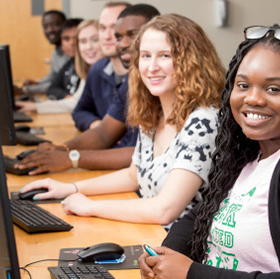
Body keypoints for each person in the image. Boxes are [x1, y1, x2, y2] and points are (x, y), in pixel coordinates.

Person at [138, 24, 280, 279]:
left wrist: (191, 273)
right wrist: (164, 256)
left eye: (273, 89)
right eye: (243, 85)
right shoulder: (249, 150)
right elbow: (200, 215)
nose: (253, 99)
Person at [19, 14, 225, 229]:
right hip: (149, 233)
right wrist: (70, 188)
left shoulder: (203, 121)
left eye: (165, 55)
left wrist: (90, 207)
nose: (152, 67)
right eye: (145, 56)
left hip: (179, 248)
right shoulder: (153, 113)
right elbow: (133, 175)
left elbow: (164, 210)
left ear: (190, 61)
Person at [15, 3, 160, 174]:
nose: (121, 44)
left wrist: (72, 159)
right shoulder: (132, 80)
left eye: (133, 34)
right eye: (118, 36)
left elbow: (141, 154)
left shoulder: (160, 84)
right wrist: (61, 149)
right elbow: (104, 133)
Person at [16, 19, 102, 113]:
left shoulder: (106, 72)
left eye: (95, 40)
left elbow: (78, 106)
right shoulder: (86, 69)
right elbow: (56, 89)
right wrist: (35, 106)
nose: (89, 47)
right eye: (83, 41)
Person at [72, 1, 130, 131]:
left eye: (114, 27)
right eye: (102, 28)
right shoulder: (98, 69)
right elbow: (79, 112)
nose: (106, 36)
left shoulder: (145, 76)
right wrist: (97, 126)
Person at [20, 10, 68, 95]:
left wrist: (26, 90)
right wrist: (37, 83)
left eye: (55, 24)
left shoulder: (71, 53)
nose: (50, 30)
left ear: (65, 25)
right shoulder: (56, 52)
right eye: (45, 27)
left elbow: (60, 84)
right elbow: (53, 76)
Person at [46, 18, 82, 100]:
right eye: (66, 39)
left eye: (76, 38)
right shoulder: (70, 63)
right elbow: (52, 88)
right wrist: (67, 97)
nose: (71, 43)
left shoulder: (90, 66)